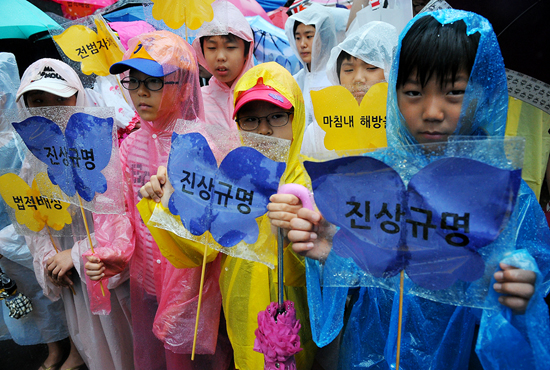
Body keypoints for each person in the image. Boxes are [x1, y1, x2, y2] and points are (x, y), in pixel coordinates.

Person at [277, 10, 550, 369]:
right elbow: (367, 272)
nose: (432, 111)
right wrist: (334, 246)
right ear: (393, 92)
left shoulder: (503, 194)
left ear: (486, 94)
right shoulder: (373, 176)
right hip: (371, 350)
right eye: (413, 92)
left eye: (454, 92)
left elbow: (528, 266)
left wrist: (518, 282)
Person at [138, 62, 318, 370]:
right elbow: (196, 250)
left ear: (296, 116)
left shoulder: (314, 182)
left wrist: (297, 237)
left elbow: (326, 273)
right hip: (243, 317)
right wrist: (165, 202)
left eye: (276, 117)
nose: (263, 130)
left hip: (301, 328)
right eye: (250, 120)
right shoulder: (226, 183)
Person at [85, 31, 232, 370]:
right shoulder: (129, 145)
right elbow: (117, 211)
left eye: (152, 83)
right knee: (159, 355)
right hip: (147, 278)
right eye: (133, 82)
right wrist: (111, 253)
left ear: (182, 85)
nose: (139, 93)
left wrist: (187, 288)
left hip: (192, 283)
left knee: (197, 357)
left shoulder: (202, 145)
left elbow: (211, 226)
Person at [15, 58, 134, 370]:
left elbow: (122, 219)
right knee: (92, 343)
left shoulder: (101, 150)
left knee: (125, 344)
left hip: (105, 274)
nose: (50, 109)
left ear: (78, 96)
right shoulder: (33, 158)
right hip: (71, 280)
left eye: (59, 99)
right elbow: (35, 221)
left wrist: (80, 254)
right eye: (38, 100)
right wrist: (50, 259)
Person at [0, 53, 70, 370]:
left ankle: (75, 351)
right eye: (37, 100)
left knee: (59, 294)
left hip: (59, 232)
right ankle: (58, 348)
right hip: (24, 235)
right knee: (31, 294)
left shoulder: (20, 139)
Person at [301, 21, 398, 154]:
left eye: (371, 67)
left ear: (392, 70)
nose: (358, 78)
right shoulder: (319, 132)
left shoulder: (402, 129)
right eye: (348, 69)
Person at [192, 0, 255, 132]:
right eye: (212, 47)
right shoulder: (196, 102)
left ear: (246, 52)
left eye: (230, 47)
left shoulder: (262, 97)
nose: (220, 56)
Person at [285, 3, 338, 127]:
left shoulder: (335, 78)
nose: (302, 44)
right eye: (298, 38)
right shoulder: (295, 81)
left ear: (324, 37)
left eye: (309, 36)